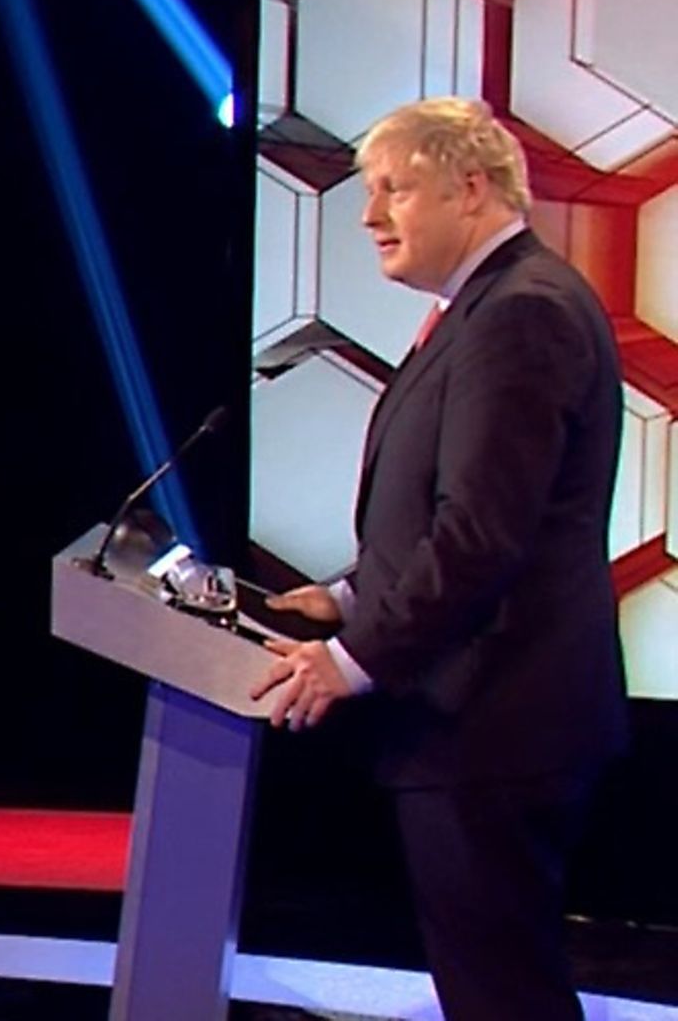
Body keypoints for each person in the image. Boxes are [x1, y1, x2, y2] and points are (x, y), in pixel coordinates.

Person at [249, 97, 629, 1020]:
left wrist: (349, 661)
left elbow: (481, 536)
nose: (371, 215)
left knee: (504, 995)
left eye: (393, 190)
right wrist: (347, 597)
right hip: (484, 719)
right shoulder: (490, 306)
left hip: (495, 720)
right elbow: (464, 512)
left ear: (470, 187)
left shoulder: (520, 314)